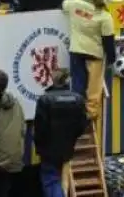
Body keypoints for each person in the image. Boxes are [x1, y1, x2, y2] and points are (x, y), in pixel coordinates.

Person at [62, 0, 115, 120]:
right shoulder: (105, 17)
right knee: (94, 87)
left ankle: (75, 110)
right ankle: (90, 114)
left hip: (76, 50)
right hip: (94, 54)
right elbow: (108, 41)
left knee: (78, 83)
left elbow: (63, 5)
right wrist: (112, 59)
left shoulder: (75, 5)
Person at [34, 69, 88, 197]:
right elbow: (82, 125)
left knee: (51, 181)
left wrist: (39, 146)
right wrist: (72, 138)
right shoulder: (78, 99)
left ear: (53, 80)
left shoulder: (44, 100)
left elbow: (40, 128)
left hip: (48, 149)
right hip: (68, 147)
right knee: (61, 180)